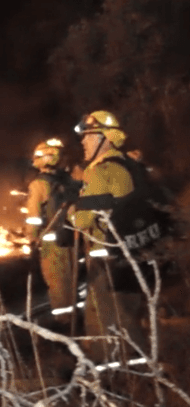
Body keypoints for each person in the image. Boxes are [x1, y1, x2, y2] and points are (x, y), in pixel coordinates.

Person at [70, 110, 147, 356]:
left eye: (89, 136)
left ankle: (114, 380)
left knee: (105, 321)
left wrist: (72, 209)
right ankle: (139, 376)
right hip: (133, 253)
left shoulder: (99, 172)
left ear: (105, 138)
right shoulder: (127, 164)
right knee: (128, 318)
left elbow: (82, 220)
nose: (83, 141)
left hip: (106, 259)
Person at [24, 139, 79, 324]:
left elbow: (34, 217)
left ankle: (64, 325)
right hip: (73, 239)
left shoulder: (39, 184)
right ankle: (77, 321)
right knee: (73, 282)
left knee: (58, 285)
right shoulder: (69, 181)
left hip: (51, 245)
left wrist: (31, 239)